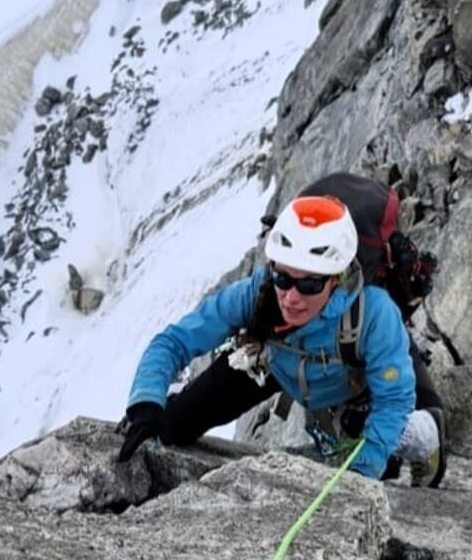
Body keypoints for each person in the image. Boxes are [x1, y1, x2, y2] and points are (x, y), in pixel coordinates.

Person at [117, 184, 446, 485]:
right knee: (173, 424)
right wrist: (146, 402)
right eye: (284, 278)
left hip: (355, 387)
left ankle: (431, 434)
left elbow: (392, 403)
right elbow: (175, 341)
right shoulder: (258, 294)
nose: (290, 297)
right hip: (278, 362)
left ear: (338, 278)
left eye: (309, 284)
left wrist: (361, 474)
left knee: (385, 443)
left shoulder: (374, 314)